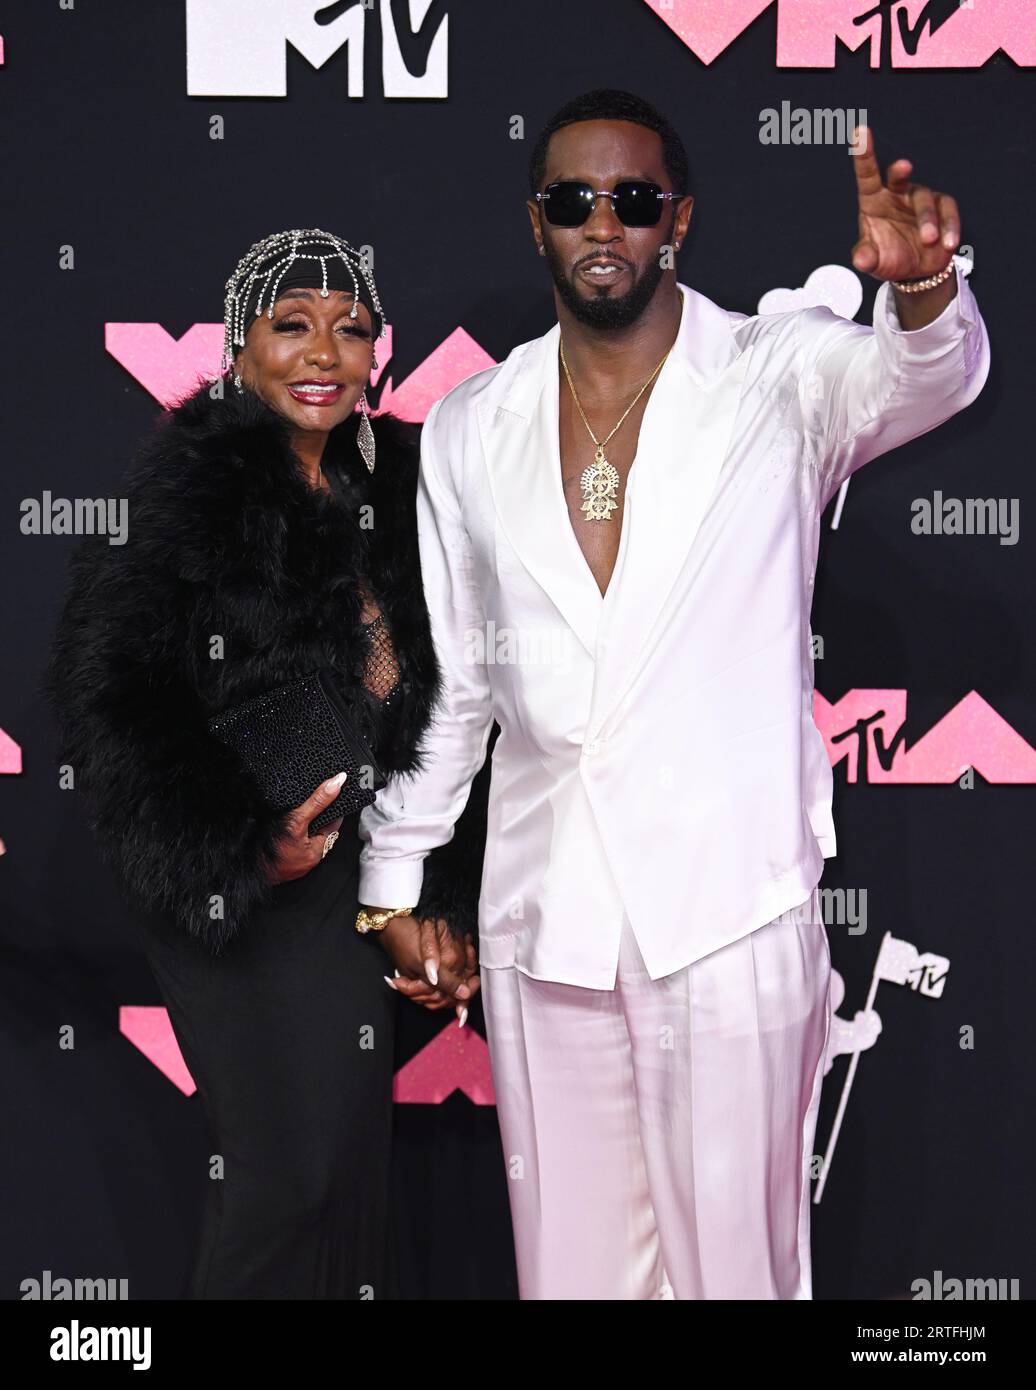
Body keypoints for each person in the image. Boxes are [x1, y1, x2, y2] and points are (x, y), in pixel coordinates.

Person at [357, 91, 991, 1298]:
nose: (605, 223)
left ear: (679, 220)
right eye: (573, 200)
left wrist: (921, 290)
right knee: (572, 1278)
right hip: (548, 927)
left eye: (634, 200)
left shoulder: (777, 372)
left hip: (729, 916)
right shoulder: (469, 426)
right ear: (536, 221)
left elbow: (930, 379)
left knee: (737, 1277)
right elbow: (463, 682)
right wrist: (393, 877)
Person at [46, 228, 487, 1300]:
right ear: (241, 345)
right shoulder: (191, 494)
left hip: (351, 874)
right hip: (241, 888)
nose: (323, 350)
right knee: (283, 1182)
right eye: (292, 325)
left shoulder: (409, 492)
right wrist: (240, 843)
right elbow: (113, 701)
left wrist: (421, 894)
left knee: (343, 1179)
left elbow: (454, 699)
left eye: (351, 327)